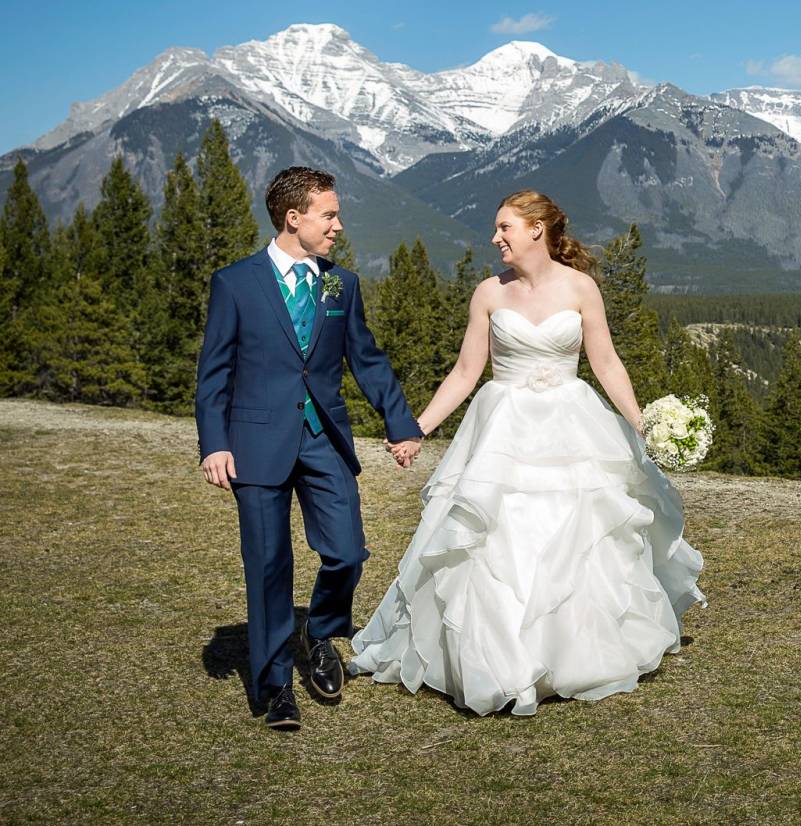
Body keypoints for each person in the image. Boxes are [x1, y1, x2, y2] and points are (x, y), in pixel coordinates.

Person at [347, 190, 707, 715]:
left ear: (537, 228)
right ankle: (496, 658)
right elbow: (466, 372)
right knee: (495, 539)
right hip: (503, 432)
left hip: (570, 425)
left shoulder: (581, 288)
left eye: (504, 228)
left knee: (578, 537)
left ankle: (574, 653)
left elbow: (605, 363)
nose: (496, 239)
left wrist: (642, 423)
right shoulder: (488, 293)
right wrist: (417, 427)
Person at [195, 166, 424, 731]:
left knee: (347, 551)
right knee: (268, 567)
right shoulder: (235, 283)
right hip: (254, 445)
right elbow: (214, 374)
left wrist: (401, 424)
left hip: (325, 438)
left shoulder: (338, 285)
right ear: (294, 218)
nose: (338, 225)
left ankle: (321, 633)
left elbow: (365, 360)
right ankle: (275, 688)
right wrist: (214, 444)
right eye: (329, 214)